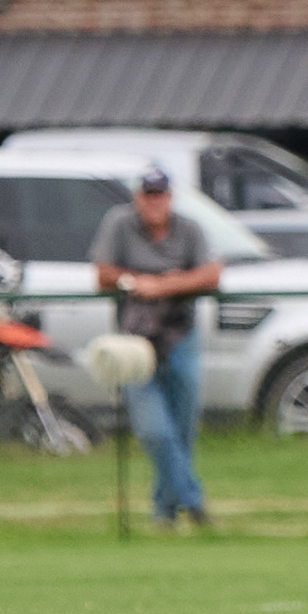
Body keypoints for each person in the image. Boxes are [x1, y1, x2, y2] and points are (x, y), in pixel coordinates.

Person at [90, 167, 221, 530]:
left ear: (170, 197)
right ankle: (193, 501)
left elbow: (212, 273)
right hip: (135, 340)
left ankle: (164, 513)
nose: (154, 202)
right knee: (154, 430)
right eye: (147, 195)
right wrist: (135, 281)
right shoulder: (119, 223)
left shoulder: (189, 228)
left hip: (180, 334)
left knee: (182, 427)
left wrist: (165, 286)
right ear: (137, 198)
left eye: (159, 195)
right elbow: (102, 273)